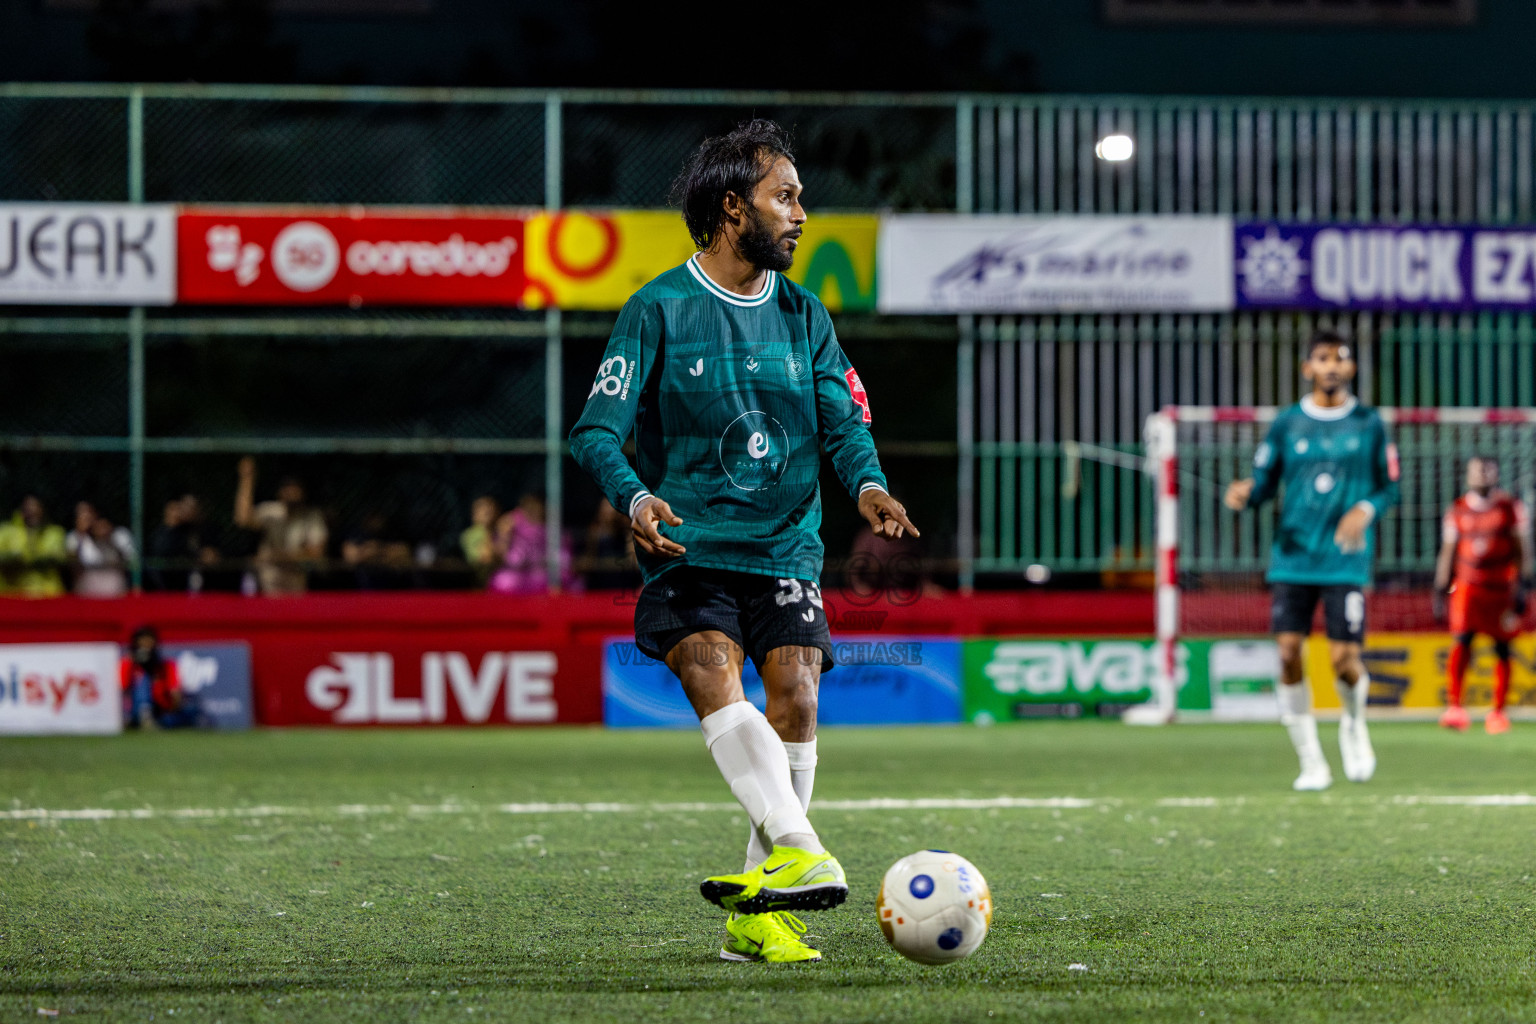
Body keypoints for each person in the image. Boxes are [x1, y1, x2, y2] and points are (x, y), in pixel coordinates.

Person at [569, 120, 918, 964]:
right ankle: (801, 852)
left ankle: (758, 912)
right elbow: (596, 432)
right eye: (786, 198)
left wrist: (868, 485)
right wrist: (637, 496)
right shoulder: (657, 309)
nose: (802, 214)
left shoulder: (804, 317)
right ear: (734, 208)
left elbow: (845, 420)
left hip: (785, 546)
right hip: (689, 546)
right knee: (711, 669)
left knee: (796, 691)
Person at [1224, 328, 1400, 791]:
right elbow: (1264, 483)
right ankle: (1311, 761)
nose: (1332, 366)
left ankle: (1354, 724)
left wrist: (1365, 509)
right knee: (1287, 653)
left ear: (1351, 368)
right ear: (1308, 369)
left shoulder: (1369, 423)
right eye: (1323, 358)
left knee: (1344, 660)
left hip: (1345, 559)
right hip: (1293, 558)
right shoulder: (1287, 424)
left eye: (1340, 358)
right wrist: (1247, 493)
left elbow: (1390, 487)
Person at [1433, 456, 1531, 734]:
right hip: (1467, 588)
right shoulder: (1458, 509)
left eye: (1488, 470)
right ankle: (1456, 707)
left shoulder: (1510, 508)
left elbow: (1522, 549)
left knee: (1502, 649)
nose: (1483, 476)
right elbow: (1448, 551)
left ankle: (1498, 712)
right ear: (1468, 475)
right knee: (1461, 642)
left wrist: (1524, 585)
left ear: (1496, 474)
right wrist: (1440, 587)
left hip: (1501, 590)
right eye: (1477, 471)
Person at [233, 457, 328, 595]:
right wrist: (247, 479)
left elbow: (316, 553)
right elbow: (242, 519)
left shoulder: (311, 516)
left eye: (295, 487)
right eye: (287, 488)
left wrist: (282, 557)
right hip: (267, 588)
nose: (290, 492)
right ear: (280, 492)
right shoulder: (271, 510)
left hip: (296, 591)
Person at [487, 492, 579, 595]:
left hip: (544, 574)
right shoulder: (512, 526)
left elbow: (563, 559)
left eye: (536, 506)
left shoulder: (554, 530)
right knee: (504, 581)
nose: (533, 510)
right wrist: (504, 534)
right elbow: (507, 557)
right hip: (518, 574)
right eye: (528, 507)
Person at [120, 625, 198, 729]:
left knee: (190, 710)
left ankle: (153, 721)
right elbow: (123, 687)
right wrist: (132, 662)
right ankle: (143, 718)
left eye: (149, 641)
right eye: (142, 641)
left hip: (161, 708)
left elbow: (174, 692)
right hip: (135, 707)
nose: (146, 645)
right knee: (143, 682)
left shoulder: (166, 665)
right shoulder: (129, 664)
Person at [145, 493, 219, 593]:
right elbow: (167, 553)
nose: (184, 511)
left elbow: (210, 554)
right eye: (178, 508)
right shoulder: (161, 535)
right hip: (167, 583)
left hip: (193, 582)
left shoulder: (197, 530)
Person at [0, 494, 69, 597]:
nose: (32, 511)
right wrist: (11, 559)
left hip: (47, 592)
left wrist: (39, 560)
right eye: (28, 508)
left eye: (36, 507)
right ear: (21, 510)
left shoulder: (54, 532)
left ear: (43, 510)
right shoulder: (6, 531)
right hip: (13, 592)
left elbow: (61, 557)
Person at [66, 501, 136, 598]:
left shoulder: (120, 534)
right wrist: (81, 536)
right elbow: (71, 562)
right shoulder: (75, 536)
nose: (86, 517)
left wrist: (109, 538)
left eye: (88, 513)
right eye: (81, 514)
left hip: (114, 581)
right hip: (87, 582)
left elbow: (131, 560)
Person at [460, 495, 502, 587]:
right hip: (476, 579)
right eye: (486, 513)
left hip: (499, 579)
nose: (490, 516)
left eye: (492, 511)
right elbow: (484, 558)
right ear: (475, 515)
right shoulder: (469, 535)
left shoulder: (501, 532)